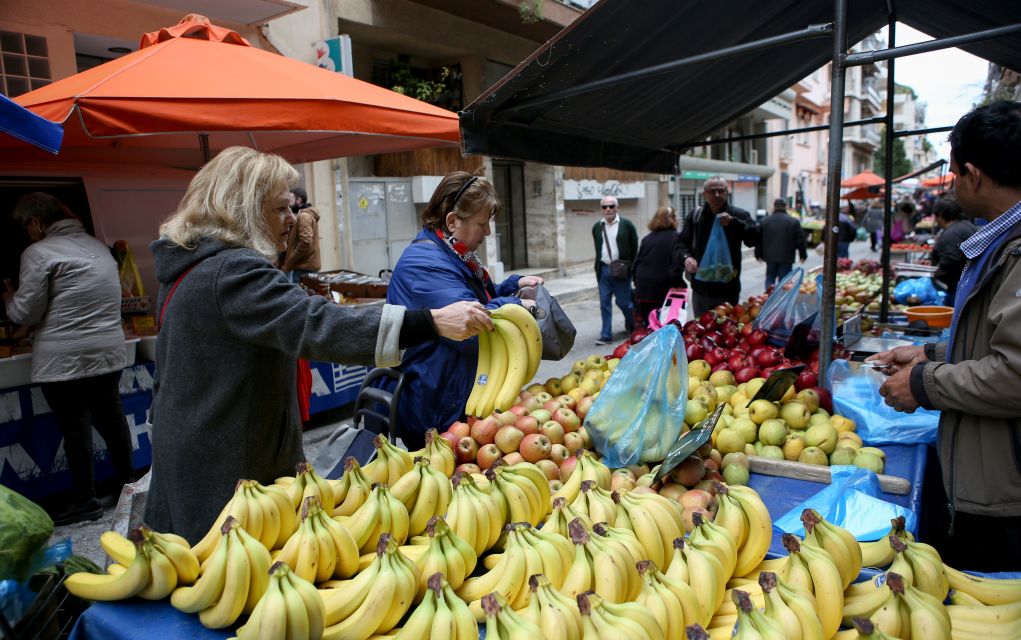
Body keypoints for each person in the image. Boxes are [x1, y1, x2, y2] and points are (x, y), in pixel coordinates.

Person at [143, 148, 492, 543]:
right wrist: (429, 321)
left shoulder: (190, 267)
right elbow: (315, 323)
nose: (292, 219)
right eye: (280, 209)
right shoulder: (232, 271)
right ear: (242, 209)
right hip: (224, 471)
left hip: (195, 453)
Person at [866, 101, 1021, 571]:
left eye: (953, 173)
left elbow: (1015, 374)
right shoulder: (998, 243)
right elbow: (997, 340)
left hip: (1007, 491)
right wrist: (930, 351)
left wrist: (922, 382)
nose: (952, 183)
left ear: (973, 175)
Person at [385, 171, 544, 448]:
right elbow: (472, 326)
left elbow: (477, 296)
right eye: (482, 223)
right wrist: (516, 305)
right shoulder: (424, 263)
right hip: (434, 403)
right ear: (452, 221)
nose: (488, 232)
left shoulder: (452, 253)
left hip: (453, 393)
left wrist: (511, 285)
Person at [2, 193, 134, 526]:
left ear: (35, 223)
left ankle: (85, 499)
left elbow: (27, 310)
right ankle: (127, 484)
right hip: (108, 352)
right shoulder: (98, 246)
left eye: (25, 227)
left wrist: (9, 300)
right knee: (112, 419)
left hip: (64, 359)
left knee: (76, 430)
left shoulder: (38, 252)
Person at [672, 177, 759, 316]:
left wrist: (734, 223)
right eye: (712, 191)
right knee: (701, 330)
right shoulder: (696, 217)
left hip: (728, 290)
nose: (717, 194)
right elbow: (680, 244)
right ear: (705, 194)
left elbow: (754, 239)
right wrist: (686, 258)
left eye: (721, 191)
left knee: (727, 331)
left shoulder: (739, 215)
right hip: (701, 291)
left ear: (726, 193)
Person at [592, 196, 638, 345]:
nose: (608, 209)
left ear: (617, 208)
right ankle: (606, 334)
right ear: (601, 210)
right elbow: (598, 249)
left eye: (611, 206)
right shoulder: (597, 227)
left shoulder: (627, 225)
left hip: (622, 270)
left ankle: (632, 325)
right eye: (605, 207)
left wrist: (632, 268)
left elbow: (634, 247)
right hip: (604, 269)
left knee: (624, 302)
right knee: (604, 303)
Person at [632, 206, 684, 326]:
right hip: (663, 290)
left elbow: (636, 264)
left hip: (644, 290)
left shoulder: (647, 239)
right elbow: (676, 267)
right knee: (664, 325)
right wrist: (679, 284)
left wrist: (637, 283)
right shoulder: (677, 238)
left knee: (649, 325)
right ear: (672, 219)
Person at [928, 197, 977, 306]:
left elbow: (951, 260)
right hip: (969, 283)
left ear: (940, 215)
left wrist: (935, 278)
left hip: (958, 287)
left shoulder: (951, 234)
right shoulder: (966, 226)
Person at [756, 198, 807, 289]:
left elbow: (758, 239)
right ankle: (782, 301)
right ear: (785, 207)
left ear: (774, 206)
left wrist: (758, 254)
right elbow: (800, 240)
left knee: (770, 278)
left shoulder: (764, 221)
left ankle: (769, 298)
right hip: (786, 257)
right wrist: (803, 254)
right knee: (785, 281)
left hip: (770, 256)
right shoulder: (793, 222)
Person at [280, 186, 320, 283]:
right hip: (302, 267)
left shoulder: (304, 216)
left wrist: (289, 262)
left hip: (303, 268)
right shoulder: (301, 215)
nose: (288, 203)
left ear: (298, 200)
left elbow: (306, 242)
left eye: (290, 199)